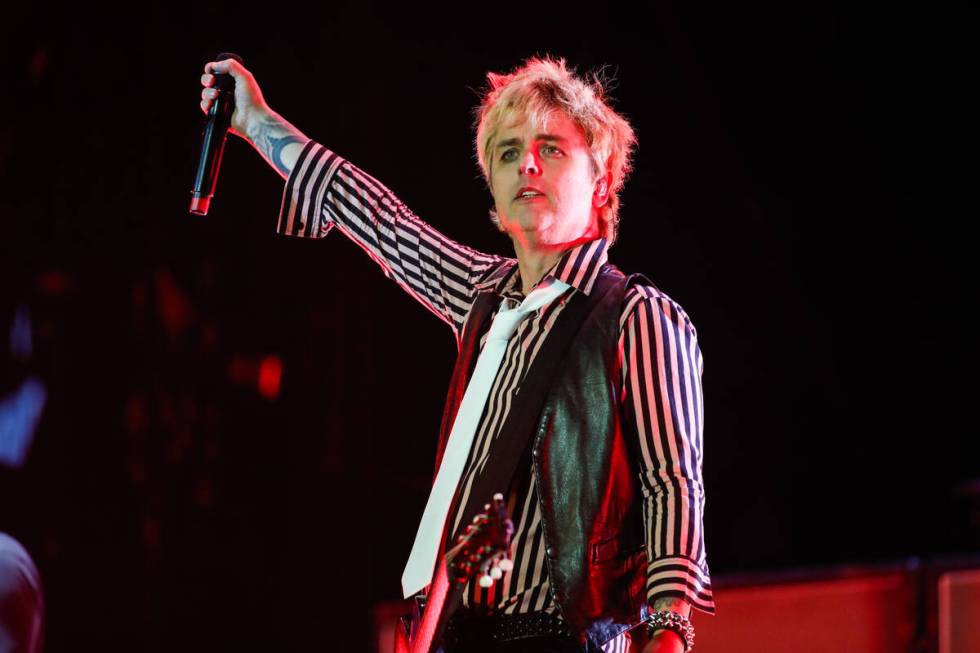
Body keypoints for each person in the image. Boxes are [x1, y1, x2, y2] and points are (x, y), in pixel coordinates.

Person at [199, 55, 716, 653]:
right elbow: (384, 224)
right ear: (493, 190)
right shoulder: (485, 298)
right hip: (459, 633)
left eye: (551, 149)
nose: (525, 162)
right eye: (507, 152)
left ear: (601, 182)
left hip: (565, 633)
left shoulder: (636, 315)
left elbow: (670, 483)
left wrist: (669, 628)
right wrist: (258, 123)